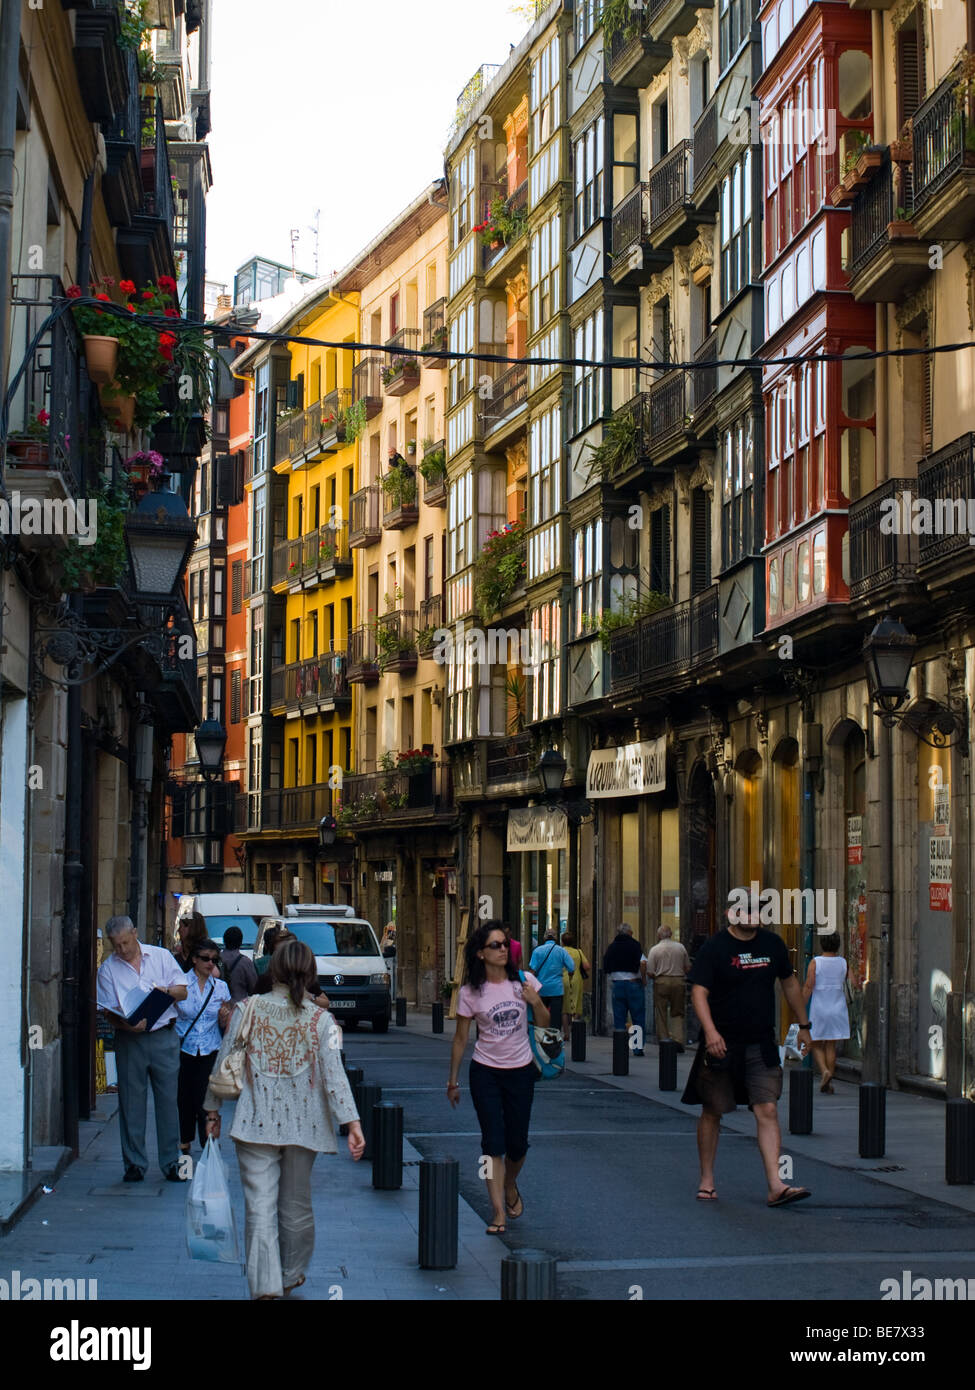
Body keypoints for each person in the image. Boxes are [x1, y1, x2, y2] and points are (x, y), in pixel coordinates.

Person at [204, 940, 365, 1300]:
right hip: (303, 1126)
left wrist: (212, 1109)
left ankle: (265, 1287)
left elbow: (224, 1059)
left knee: (259, 1207)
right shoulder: (323, 1020)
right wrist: (351, 1123)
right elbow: (334, 1074)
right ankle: (291, 1273)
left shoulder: (248, 1008)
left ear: (272, 970)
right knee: (296, 1206)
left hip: (254, 1121)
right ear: (311, 974)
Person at [682, 889, 814, 1206]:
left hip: (761, 1042)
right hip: (722, 1043)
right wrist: (710, 1032)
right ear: (732, 913)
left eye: (757, 910)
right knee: (713, 1110)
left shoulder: (772, 945)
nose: (752, 915)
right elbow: (699, 992)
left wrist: (804, 1025)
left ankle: (775, 1184)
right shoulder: (715, 947)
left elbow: (790, 983)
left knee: (767, 1108)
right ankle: (707, 1180)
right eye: (746, 910)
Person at [448, 920, 549, 1235]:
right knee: (493, 1142)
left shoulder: (524, 981)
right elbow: (461, 1039)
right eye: (496, 945)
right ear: (480, 953)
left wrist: (535, 1003)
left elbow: (546, 1022)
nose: (503, 949)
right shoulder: (470, 992)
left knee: (517, 1144)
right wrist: (453, 1081)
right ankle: (497, 1213)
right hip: (486, 1073)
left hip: (521, 1070)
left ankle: (510, 1184)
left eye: (505, 944)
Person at [95, 915, 189, 1183]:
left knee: (168, 1101)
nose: (122, 950)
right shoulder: (108, 969)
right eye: (117, 946)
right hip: (131, 1039)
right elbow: (108, 1012)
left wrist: (165, 991)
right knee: (131, 1103)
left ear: (135, 934)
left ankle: (171, 1162)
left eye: (125, 942)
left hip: (163, 1035)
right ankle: (134, 1163)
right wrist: (126, 1026)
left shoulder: (160, 956)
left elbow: (183, 991)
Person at [176, 938, 230, 1156]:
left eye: (214, 960)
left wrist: (225, 1018)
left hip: (210, 1049)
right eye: (206, 959)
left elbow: (225, 1023)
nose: (210, 963)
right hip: (183, 1048)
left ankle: (208, 1145)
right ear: (194, 960)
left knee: (205, 1100)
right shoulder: (180, 984)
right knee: (184, 1100)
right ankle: (184, 1148)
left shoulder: (220, 988)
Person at [802, 932, 850, 1094]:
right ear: (838, 945)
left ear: (822, 944)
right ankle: (829, 1083)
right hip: (838, 1007)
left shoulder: (816, 962)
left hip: (820, 1007)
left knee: (815, 1043)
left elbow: (809, 985)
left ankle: (824, 1071)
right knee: (831, 1044)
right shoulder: (843, 962)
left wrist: (800, 1005)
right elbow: (854, 982)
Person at [602, 923, 646, 1054]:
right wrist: (643, 979)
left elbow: (606, 965)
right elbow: (643, 963)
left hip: (617, 984)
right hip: (633, 983)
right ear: (629, 933)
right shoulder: (635, 945)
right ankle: (637, 1048)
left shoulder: (612, 947)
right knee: (637, 1016)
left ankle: (620, 1048)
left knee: (619, 1018)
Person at [645, 925, 691, 1051]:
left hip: (661, 981)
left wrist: (657, 976)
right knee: (677, 1012)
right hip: (678, 981)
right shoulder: (680, 947)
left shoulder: (655, 950)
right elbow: (687, 967)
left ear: (659, 935)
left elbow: (649, 972)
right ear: (670, 934)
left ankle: (664, 1040)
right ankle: (678, 1040)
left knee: (661, 1012)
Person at [528, 929, 574, 1032]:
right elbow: (571, 967)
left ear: (544, 937)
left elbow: (532, 971)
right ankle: (555, 1037)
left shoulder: (537, 951)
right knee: (556, 1018)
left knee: (540, 1015)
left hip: (541, 989)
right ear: (556, 938)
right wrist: (570, 974)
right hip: (556, 989)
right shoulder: (561, 951)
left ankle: (541, 1035)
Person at [559, 931, 589, 1041]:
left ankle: (566, 1033)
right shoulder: (578, 952)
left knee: (564, 1008)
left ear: (562, 941)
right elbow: (587, 966)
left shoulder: (560, 951)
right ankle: (574, 1030)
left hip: (563, 979)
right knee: (576, 1005)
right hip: (576, 979)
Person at [219, 925, 258, 1003]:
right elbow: (253, 988)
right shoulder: (246, 962)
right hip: (239, 1006)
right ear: (240, 942)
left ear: (224, 940)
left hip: (218, 1005)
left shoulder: (215, 960)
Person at [380, 922, 397, 1000]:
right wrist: (384, 936)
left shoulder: (391, 935)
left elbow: (385, 948)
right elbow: (382, 948)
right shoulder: (387, 935)